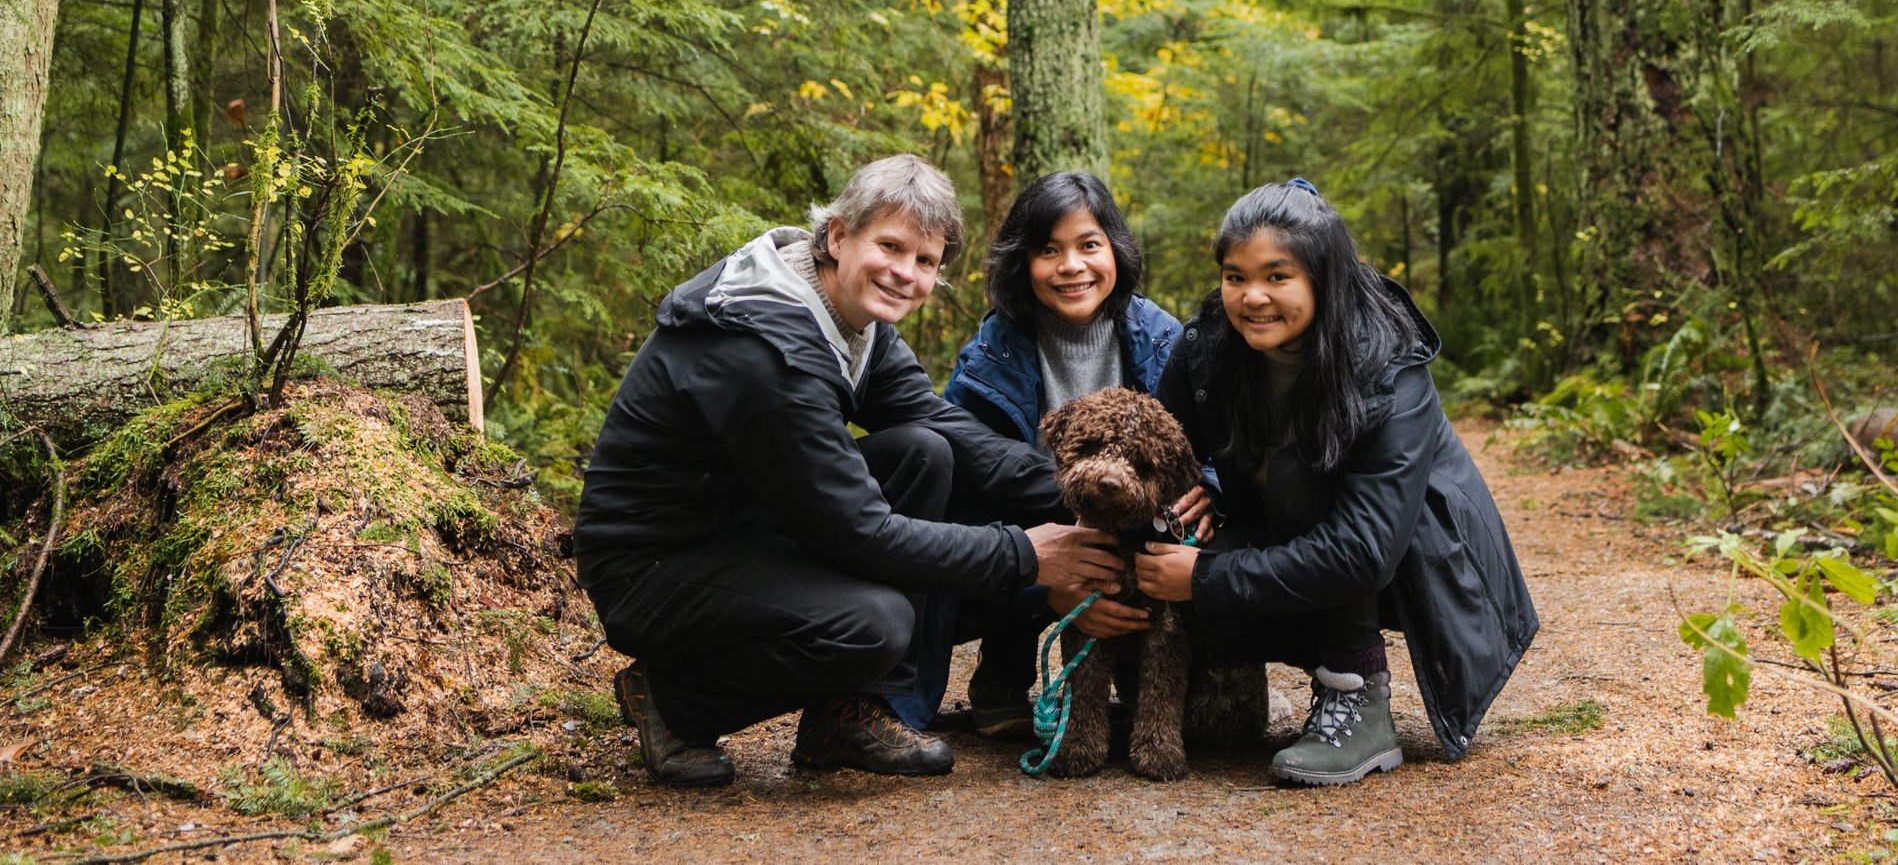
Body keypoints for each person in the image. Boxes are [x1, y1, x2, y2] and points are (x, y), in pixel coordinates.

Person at [573, 155, 1124, 787]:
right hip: (654, 567)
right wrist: (1025, 555)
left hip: (740, 525)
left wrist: (1085, 494)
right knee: (873, 624)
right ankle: (675, 701)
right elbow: (858, 532)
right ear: (837, 236)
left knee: (924, 449)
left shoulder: (852, 320)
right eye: (889, 247)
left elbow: (948, 428)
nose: (905, 274)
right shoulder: (766, 347)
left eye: (925, 261)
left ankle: (849, 711)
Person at [1134, 178, 1540, 786]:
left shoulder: (1387, 366)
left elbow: (1364, 552)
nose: (1252, 297)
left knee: (1296, 478)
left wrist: (1208, 578)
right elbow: (1167, 450)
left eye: (1278, 276)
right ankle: (1227, 676)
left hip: (1411, 570)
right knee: (1164, 553)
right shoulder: (1209, 347)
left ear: (1322, 277)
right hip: (1292, 540)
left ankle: (1356, 693)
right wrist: (1199, 493)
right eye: (1235, 276)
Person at [934, 170, 1196, 736]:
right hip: (1034, 532)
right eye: (1047, 250)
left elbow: (1208, 449)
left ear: (1116, 253)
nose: (1071, 266)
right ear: (1020, 264)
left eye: (1088, 245)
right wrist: (1047, 590)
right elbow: (965, 491)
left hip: (1146, 528)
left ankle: (1141, 671)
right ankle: (1002, 672)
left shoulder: (1165, 340)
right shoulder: (989, 356)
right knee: (1015, 512)